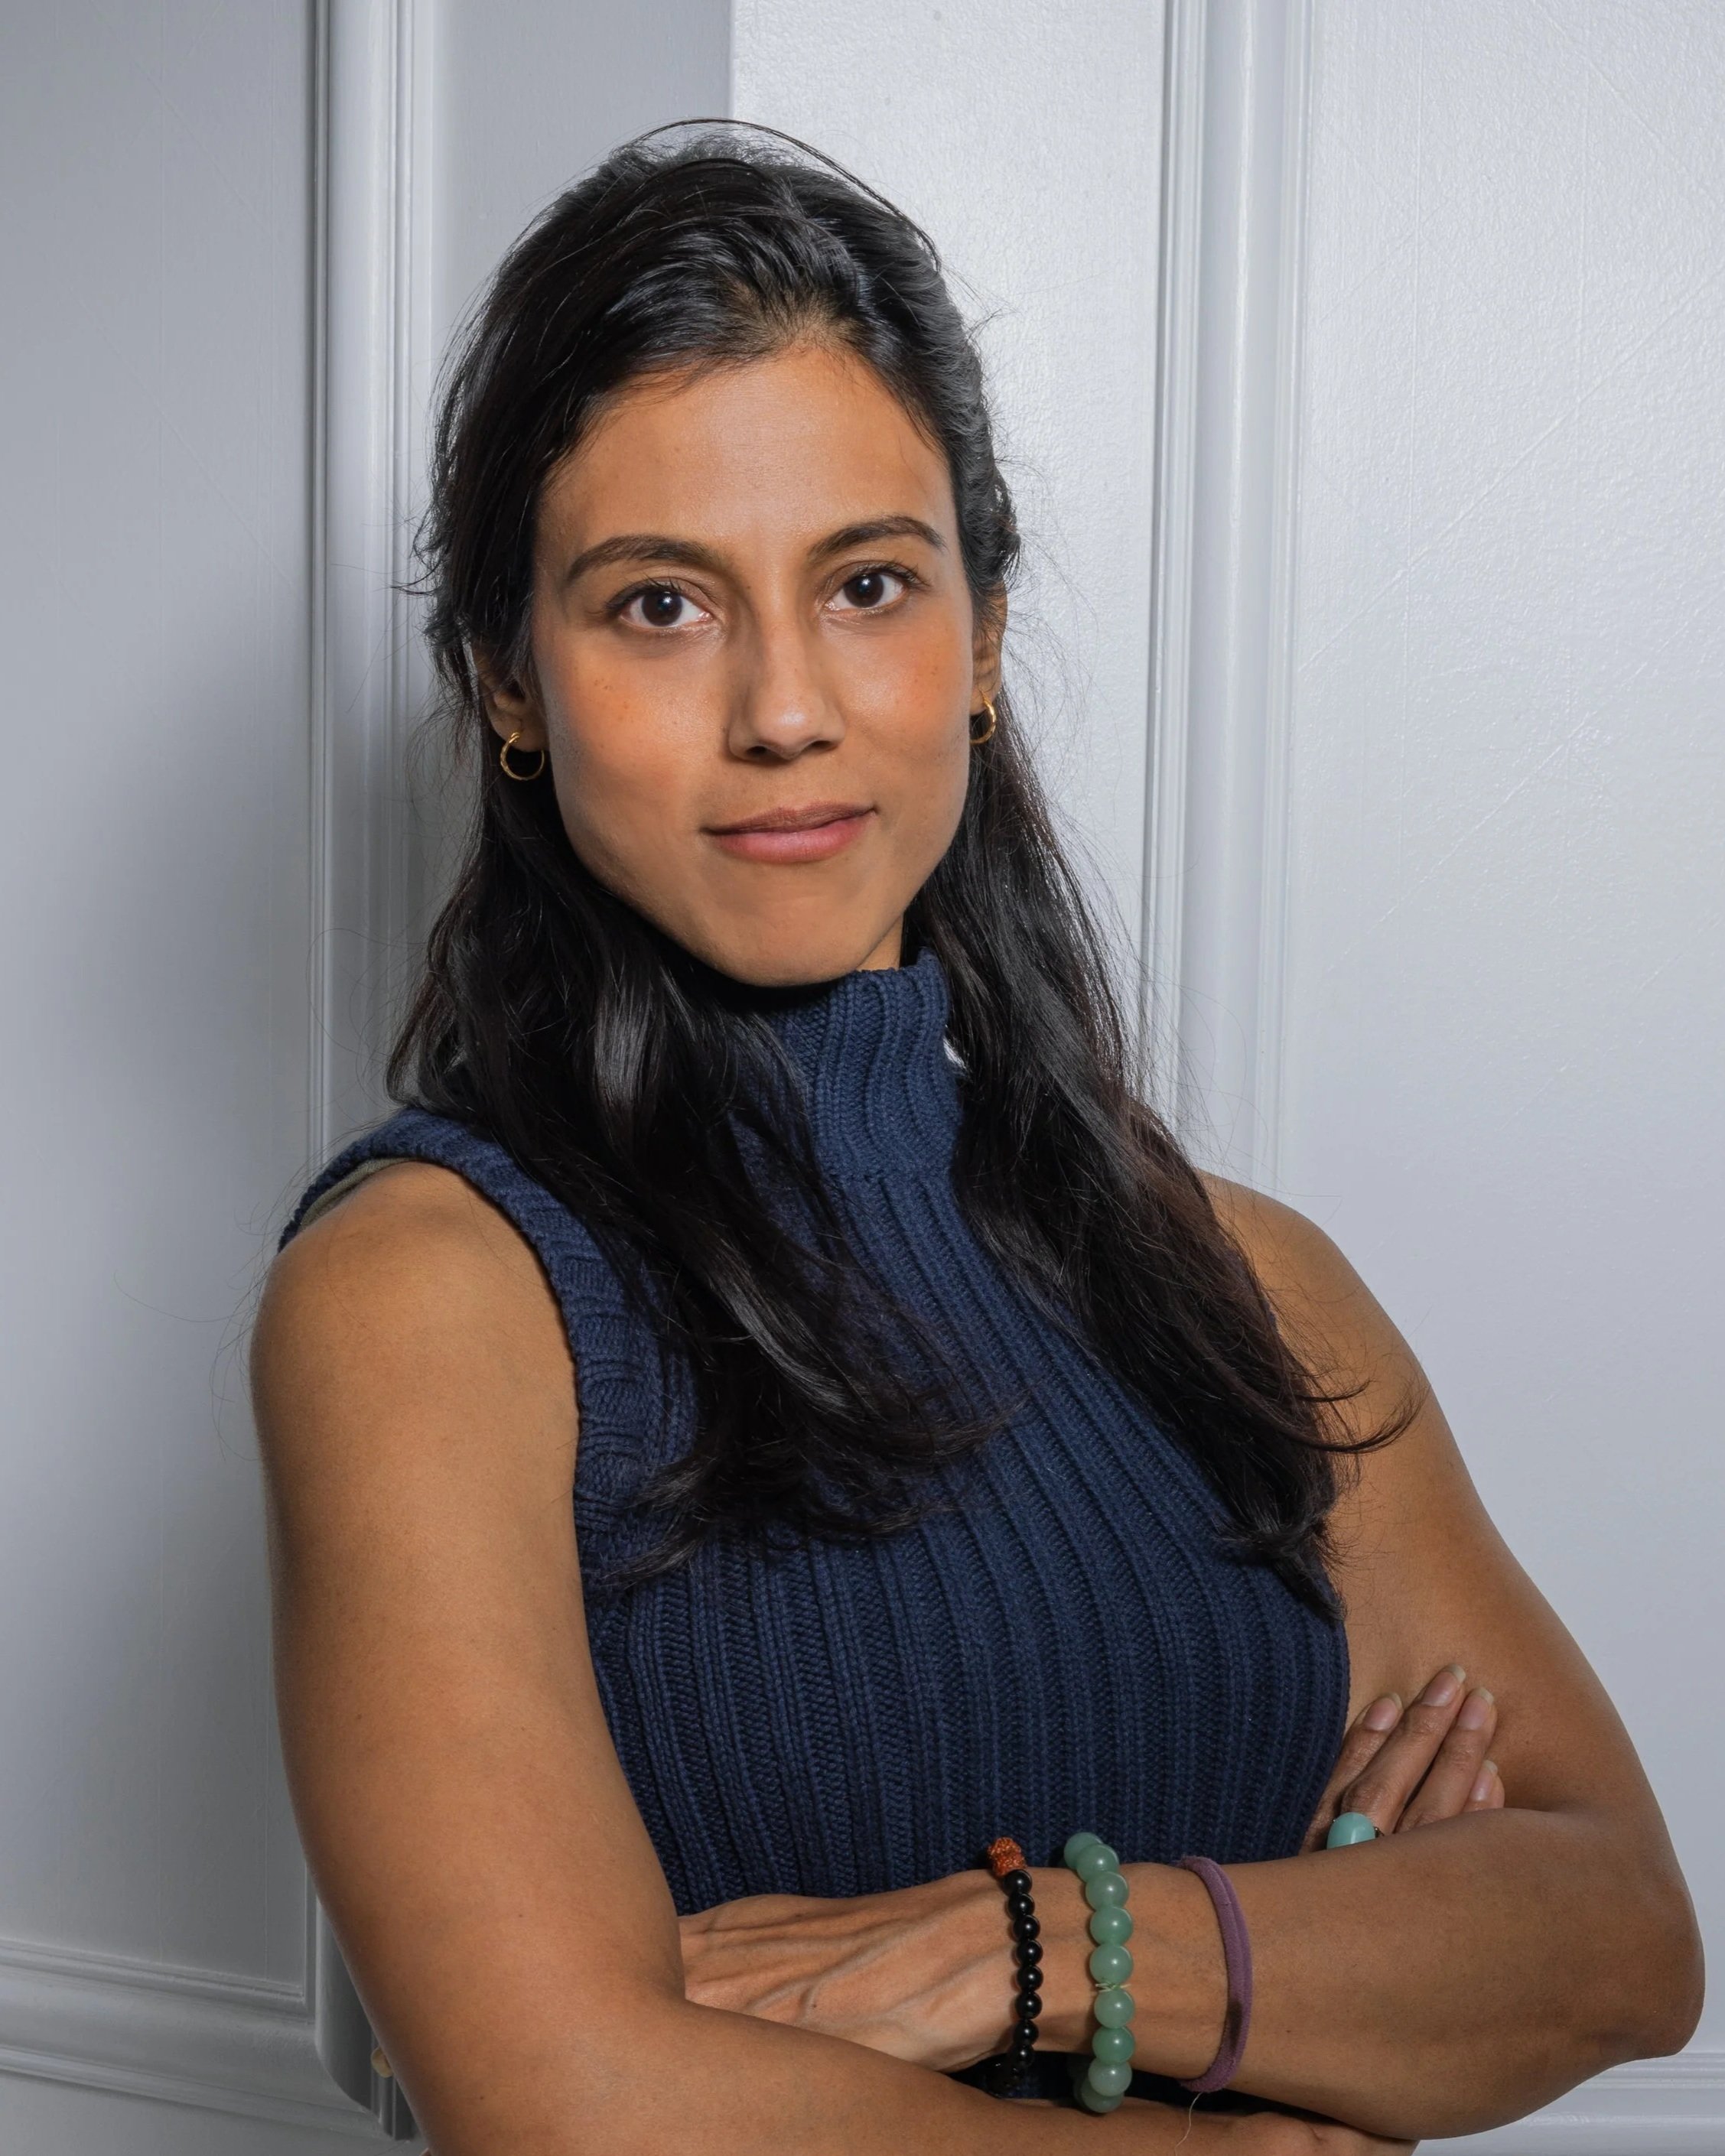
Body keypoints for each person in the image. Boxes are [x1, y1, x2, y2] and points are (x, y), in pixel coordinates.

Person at [252, 128, 1701, 2154]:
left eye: (867, 585)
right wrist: (1289, 2048)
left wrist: (1037, 1947)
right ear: (509, 679)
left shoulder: (1246, 1282)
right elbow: (578, 2113)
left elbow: (1621, 1933)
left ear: (986, 634)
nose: (786, 708)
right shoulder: (425, 1298)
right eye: (659, 604)